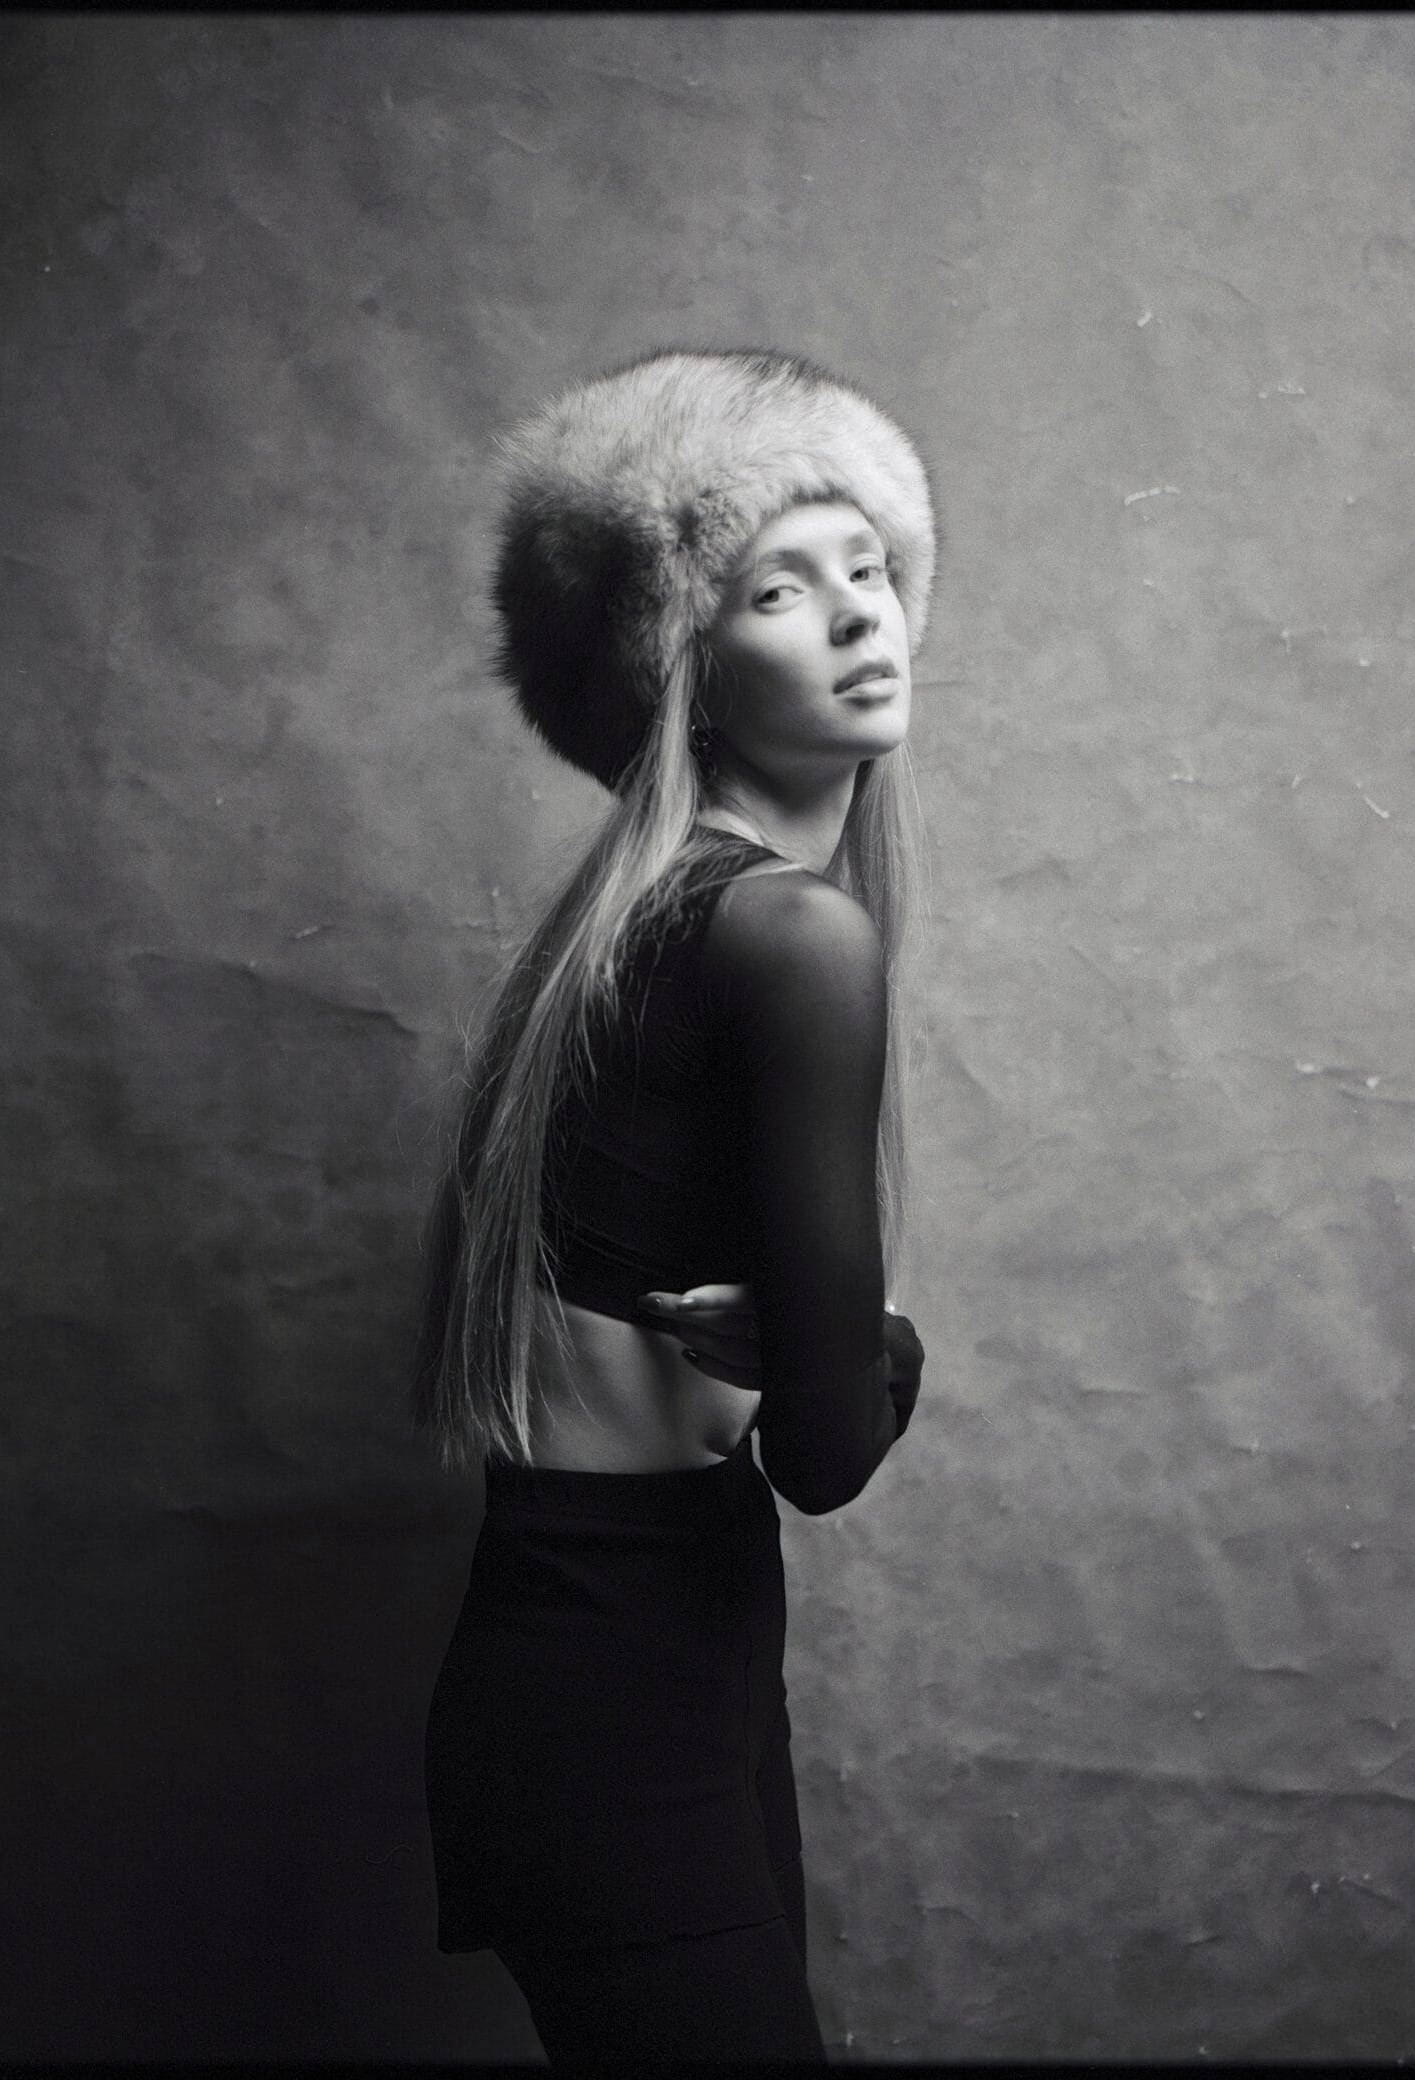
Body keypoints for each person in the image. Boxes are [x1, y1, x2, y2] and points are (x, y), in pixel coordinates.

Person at [411, 348, 936, 2063]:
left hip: (627, 1658)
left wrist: (826, 1345)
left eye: (871, 568)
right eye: (782, 587)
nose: (862, 616)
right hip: (621, 1697)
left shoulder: (633, 925)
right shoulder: (789, 935)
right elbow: (823, 1453)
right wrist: (874, 1351)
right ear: (683, 662)